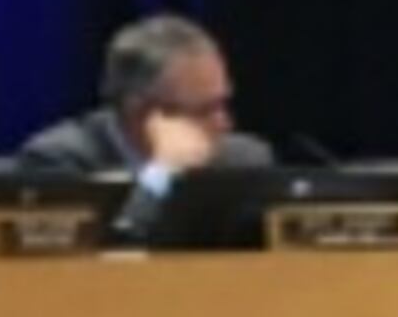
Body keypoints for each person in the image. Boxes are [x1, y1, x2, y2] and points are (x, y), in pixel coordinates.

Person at [16, 13, 275, 235]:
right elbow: (105, 258)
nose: (225, 123)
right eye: (204, 110)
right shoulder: (62, 161)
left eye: (223, 103)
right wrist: (162, 174)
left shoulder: (242, 160)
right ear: (141, 111)